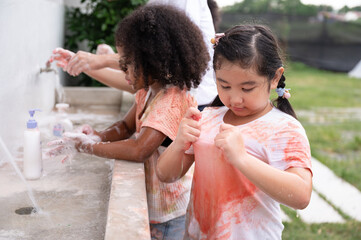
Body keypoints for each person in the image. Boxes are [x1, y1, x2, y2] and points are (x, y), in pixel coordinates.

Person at [48, 4, 209, 239]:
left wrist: (88, 147)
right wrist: (97, 135)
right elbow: (125, 127)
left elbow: (139, 149)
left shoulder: (171, 101)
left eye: (127, 64)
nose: (122, 70)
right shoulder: (149, 89)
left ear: (153, 62)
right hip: (156, 209)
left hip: (167, 215)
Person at [156, 24, 313, 239]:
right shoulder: (208, 118)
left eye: (247, 88)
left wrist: (242, 159)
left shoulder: (284, 128)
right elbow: (166, 175)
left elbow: (301, 195)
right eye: (224, 86)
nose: (235, 99)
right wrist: (179, 142)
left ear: (275, 78)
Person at [50, 0, 218, 110]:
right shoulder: (150, 93)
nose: (125, 68)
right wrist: (85, 65)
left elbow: (167, 58)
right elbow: (139, 78)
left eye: (127, 61)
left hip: (195, 107)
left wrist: (101, 61)